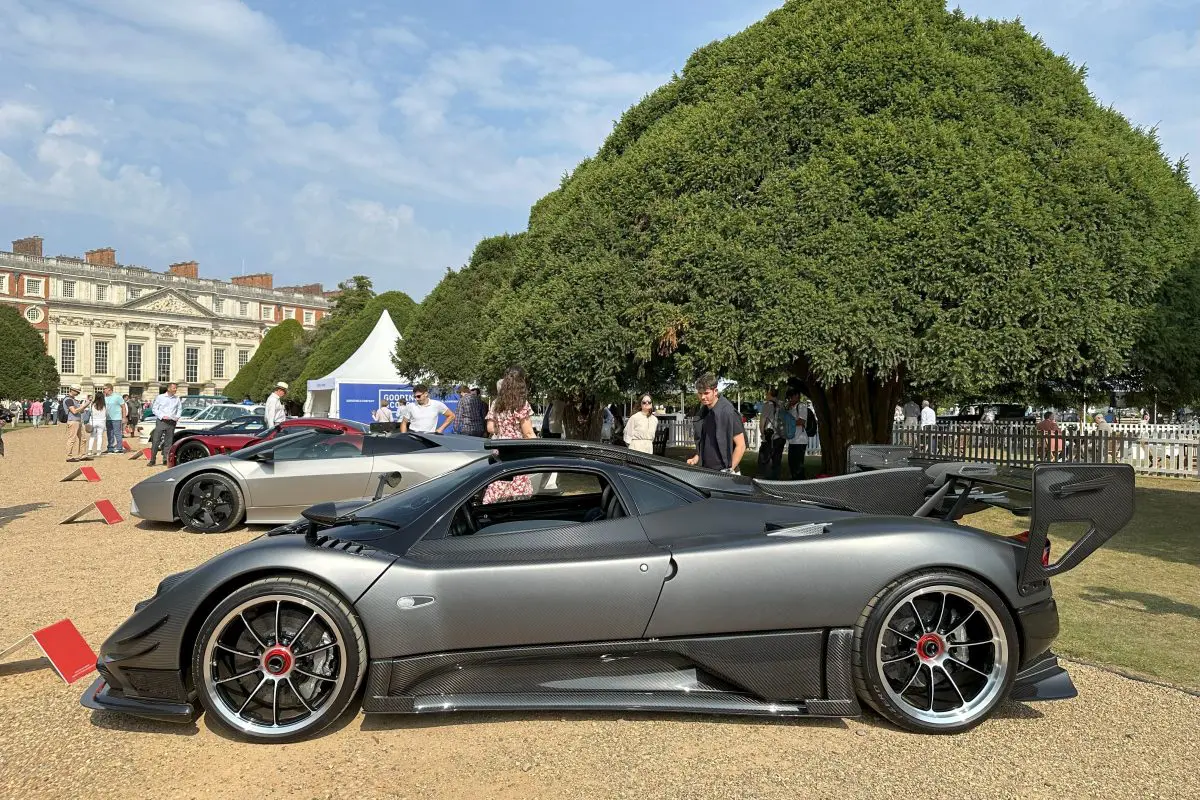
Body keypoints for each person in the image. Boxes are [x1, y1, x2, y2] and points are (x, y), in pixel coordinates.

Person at [483, 368, 537, 504]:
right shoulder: (521, 403)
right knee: (518, 488)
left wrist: (503, 429)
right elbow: (528, 432)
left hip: (500, 449)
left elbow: (490, 428)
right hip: (517, 450)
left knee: (499, 483)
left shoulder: (496, 402)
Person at [687, 373, 746, 473]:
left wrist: (729, 470)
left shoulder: (729, 412)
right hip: (707, 472)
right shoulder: (703, 414)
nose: (703, 397)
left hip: (727, 474)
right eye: (700, 393)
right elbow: (706, 445)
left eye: (706, 393)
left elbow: (741, 445)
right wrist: (696, 458)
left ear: (715, 391)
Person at [147, 383, 182, 466]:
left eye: (176, 388)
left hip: (172, 422)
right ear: (169, 389)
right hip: (161, 421)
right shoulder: (160, 397)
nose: (175, 389)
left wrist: (177, 417)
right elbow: (154, 409)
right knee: (156, 441)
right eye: (174, 388)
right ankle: (152, 460)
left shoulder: (177, 399)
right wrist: (162, 416)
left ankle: (165, 459)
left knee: (168, 442)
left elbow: (179, 409)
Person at [757, 386, 785, 480]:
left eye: (767, 393)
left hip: (769, 435)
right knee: (777, 460)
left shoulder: (767, 405)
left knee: (765, 459)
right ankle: (775, 479)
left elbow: (762, 421)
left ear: (770, 394)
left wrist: (762, 433)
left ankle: (766, 480)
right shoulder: (781, 404)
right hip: (780, 436)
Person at [784, 388, 809, 480]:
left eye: (791, 397)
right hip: (792, 440)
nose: (790, 399)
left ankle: (800, 481)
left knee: (798, 464)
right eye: (789, 398)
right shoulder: (790, 408)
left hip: (800, 440)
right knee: (791, 463)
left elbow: (801, 421)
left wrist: (790, 422)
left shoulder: (801, 406)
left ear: (797, 396)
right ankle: (794, 480)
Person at [63, 386, 86, 462]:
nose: (78, 393)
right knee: (72, 439)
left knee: (83, 438)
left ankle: (82, 455)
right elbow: (74, 411)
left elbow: (80, 411)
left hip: (78, 420)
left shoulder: (74, 400)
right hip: (73, 420)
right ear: (72, 390)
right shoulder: (68, 400)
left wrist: (83, 407)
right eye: (77, 391)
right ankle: (68, 456)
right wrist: (84, 406)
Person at [101, 384, 126, 454]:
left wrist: (124, 417)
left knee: (117, 433)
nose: (103, 390)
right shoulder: (104, 398)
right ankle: (110, 448)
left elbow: (123, 407)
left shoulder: (117, 396)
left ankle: (119, 448)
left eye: (104, 388)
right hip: (108, 418)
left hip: (117, 418)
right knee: (109, 433)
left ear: (109, 389)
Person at [86, 393, 107, 458]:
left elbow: (90, 413)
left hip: (94, 421)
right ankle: (98, 451)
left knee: (92, 436)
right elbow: (106, 413)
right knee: (100, 436)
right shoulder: (104, 405)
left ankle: (89, 451)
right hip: (101, 422)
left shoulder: (92, 404)